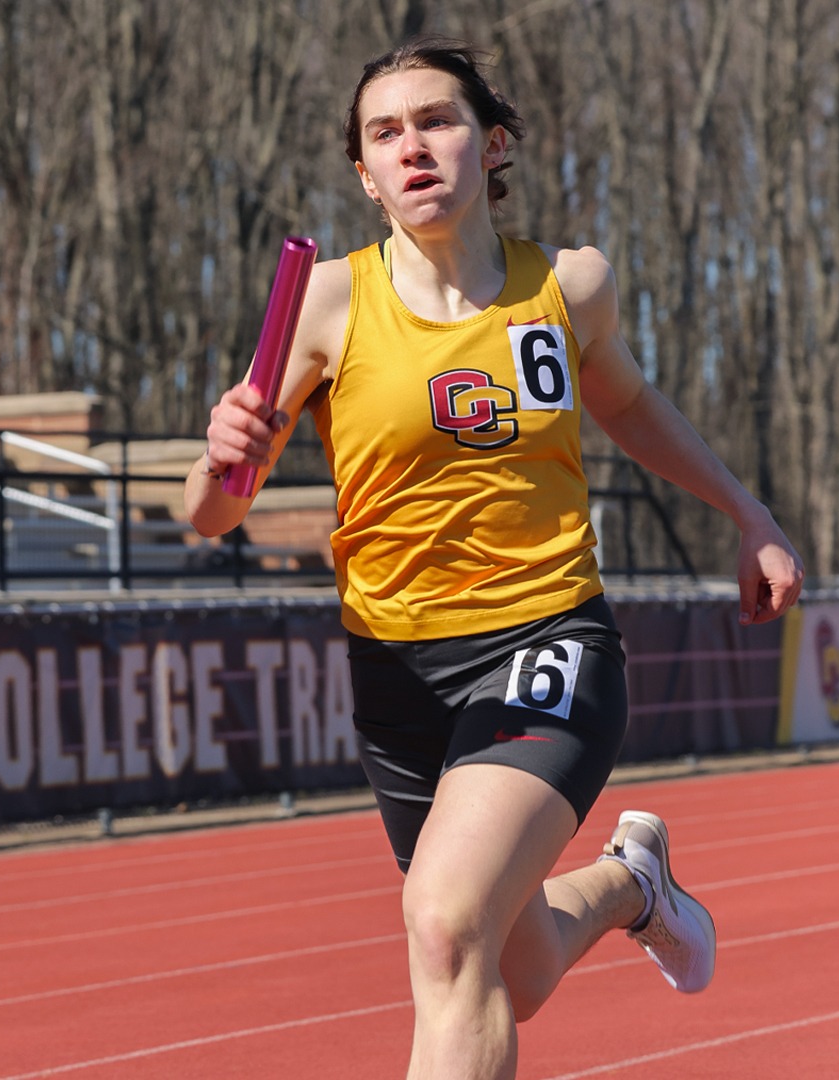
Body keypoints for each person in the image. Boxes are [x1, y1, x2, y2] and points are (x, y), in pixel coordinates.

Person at [185, 38, 805, 1080]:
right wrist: (221, 459)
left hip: (544, 635)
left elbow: (632, 406)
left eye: (438, 122)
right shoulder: (326, 305)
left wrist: (749, 514)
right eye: (386, 134)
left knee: (442, 924)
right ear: (364, 175)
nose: (413, 147)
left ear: (492, 144)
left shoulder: (568, 286)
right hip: (395, 668)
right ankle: (628, 887)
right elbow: (208, 516)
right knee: (502, 972)